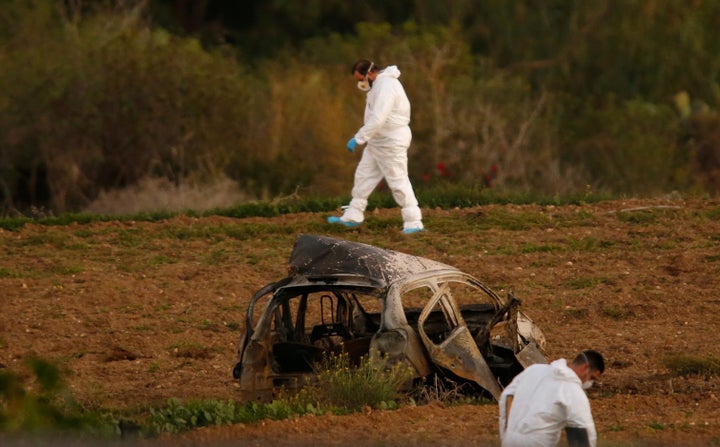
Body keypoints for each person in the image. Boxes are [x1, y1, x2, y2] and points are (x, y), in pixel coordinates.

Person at [327, 59, 424, 234]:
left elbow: (379, 117)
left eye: (361, 79)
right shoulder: (378, 86)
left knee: (397, 180)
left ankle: (414, 221)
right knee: (363, 176)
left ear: (369, 73)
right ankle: (353, 215)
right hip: (377, 142)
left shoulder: (386, 86)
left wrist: (359, 138)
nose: (360, 83)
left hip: (391, 142)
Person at [499, 350, 605, 447]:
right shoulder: (573, 391)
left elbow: (507, 396)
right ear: (585, 368)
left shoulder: (534, 370)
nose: (589, 383)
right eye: (592, 378)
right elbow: (584, 430)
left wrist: (506, 433)